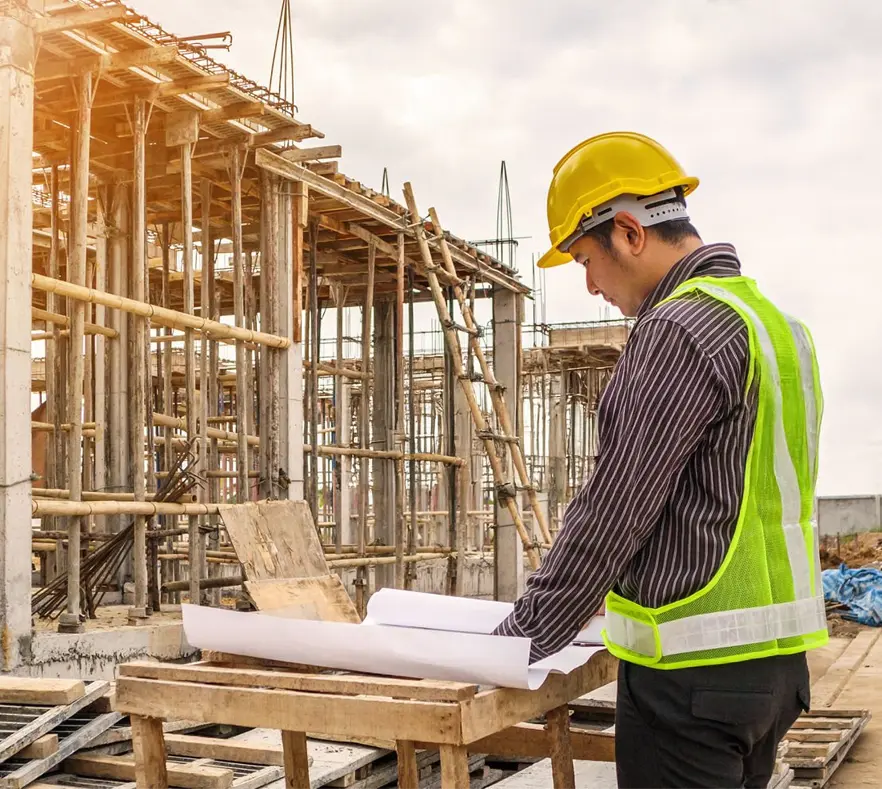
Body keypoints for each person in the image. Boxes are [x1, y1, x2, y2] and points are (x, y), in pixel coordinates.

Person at [492, 131, 827, 789]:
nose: (590, 285)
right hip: (775, 673)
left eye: (586, 258)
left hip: (692, 685)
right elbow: (726, 497)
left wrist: (516, 642)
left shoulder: (679, 330)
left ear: (629, 231)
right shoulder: (780, 328)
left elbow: (614, 512)